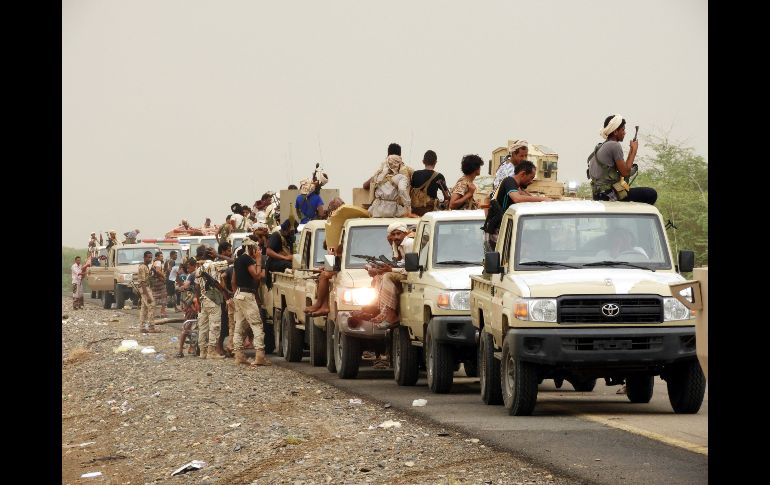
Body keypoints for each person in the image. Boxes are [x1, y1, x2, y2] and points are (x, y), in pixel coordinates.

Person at [482, 161, 551, 252]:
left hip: (503, 230)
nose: (531, 182)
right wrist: (543, 199)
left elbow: (527, 198)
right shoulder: (509, 181)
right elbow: (517, 198)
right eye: (531, 177)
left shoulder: (516, 187)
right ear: (522, 174)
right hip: (497, 232)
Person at [588, 114, 657, 204]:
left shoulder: (601, 146)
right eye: (623, 130)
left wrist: (631, 150)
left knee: (628, 190)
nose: (624, 133)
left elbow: (624, 170)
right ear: (615, 131)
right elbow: (625, 173)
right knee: (651, 194)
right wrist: (634, 151)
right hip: (608, 194)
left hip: (598, 194)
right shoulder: (614, 145)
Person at [366, 222, 415, 329]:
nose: (396, 237)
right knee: (378, 277)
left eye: (399, 233)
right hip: (406, 272)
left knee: (387, 276)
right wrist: (381, 268)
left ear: (405, 233)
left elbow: (410, 268)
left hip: (413, 275)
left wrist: (391, 269)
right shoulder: (398, 244)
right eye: (393, 234)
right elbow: (399, 262)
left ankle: (391, 315)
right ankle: (384, 313)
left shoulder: (409, 244)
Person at [232, 238, 272, 366]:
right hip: (247, 295)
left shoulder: (238, 260)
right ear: (251, 248)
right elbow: (256, 275)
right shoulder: (247, 259)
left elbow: (233, 281)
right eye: (256, 249)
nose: (257, 251)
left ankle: (239, 355)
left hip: (238, 294)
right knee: (257, 324)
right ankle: (260, 356)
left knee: (239, 326)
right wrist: (259, 261)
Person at [194, 244, 230, 359]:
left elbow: (197, 287)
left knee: (203, 327)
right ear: (212, 255)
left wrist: (198, 301)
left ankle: (202, 352)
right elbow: (233, 261)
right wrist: (218, 254)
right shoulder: (215, 264)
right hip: (213, 299)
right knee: (215, 325)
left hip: (203, 299)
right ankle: (211, 352)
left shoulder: (199, 268)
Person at [364, 143, 414, 217]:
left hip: (376, 210)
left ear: (387, 155)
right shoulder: (404, 173)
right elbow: (403, 189)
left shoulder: (379, 172)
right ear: (400, 157)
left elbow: (365, 185)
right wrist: (408, 207)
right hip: (393, 210)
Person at [410, 149, 451, 216]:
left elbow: (410, 191)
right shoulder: (439, 176)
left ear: (423, 161)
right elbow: (446, 197)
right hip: (430, 212)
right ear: (435, 162)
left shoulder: (415, 174)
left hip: (415, 211)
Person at [137, 251, 160, 333]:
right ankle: (151, 327)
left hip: (147, 287)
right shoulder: (142, 267)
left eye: (151, 257)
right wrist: (147, 295)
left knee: (144, 308)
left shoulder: (147, 267)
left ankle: (142, 327)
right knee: (151, 305)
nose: (150, 259)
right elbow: (142, 282)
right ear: (144, 258)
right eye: (148, 257)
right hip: (144, 288)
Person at [150, 251, 168, 319]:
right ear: (157, 257)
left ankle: (152, 313)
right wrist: (164, 276)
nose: (162, 257)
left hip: (154, 281)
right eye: (161, 256)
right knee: (164, 295)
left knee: (154, 296)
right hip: (159, 281)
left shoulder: (153, 262)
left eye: (162, 256)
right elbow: (157, 271)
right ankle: (162, 311)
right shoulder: (158, 262)